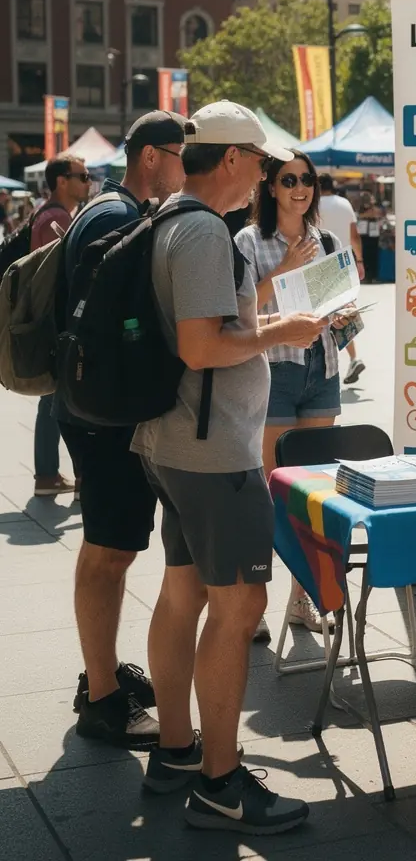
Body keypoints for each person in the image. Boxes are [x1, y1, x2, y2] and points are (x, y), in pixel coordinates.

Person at [133, 101, 325, 831]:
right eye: (261, 162)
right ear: (238, 160)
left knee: (182, 597)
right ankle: (220, 781)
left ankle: (178, 750)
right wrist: (268, 335)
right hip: (215, 454)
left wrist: (282, 326)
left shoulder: (169, 219)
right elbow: (202, 348)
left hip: (174, 443)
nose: (265, 177)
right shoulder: (209, 234)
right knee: (239, 606)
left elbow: (214, 331)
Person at [59, 112, 188, 747]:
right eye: (180, 156)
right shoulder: (117, 218)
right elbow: (118, 324)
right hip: (102, 412)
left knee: (110, 548)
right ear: (150, 158)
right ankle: (103, 700)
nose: (187, 168)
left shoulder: (107, 207)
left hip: (90, 406)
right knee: (109, 552)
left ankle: (100, 675)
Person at [235, 149, 346, 641]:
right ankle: (250, 602)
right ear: (271, 188)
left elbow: (339, 307)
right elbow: (240, 312)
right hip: (274, 372)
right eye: (289, 180)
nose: (300, 188)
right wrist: (281, 269)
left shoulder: (327, 239)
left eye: (307, 180)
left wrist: (343, 315)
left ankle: (302, 601)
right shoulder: (247, 241)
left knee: (313, 491)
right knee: (269, 492)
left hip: (321, 369)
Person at [31, 153, 91, 497]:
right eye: (81, 176)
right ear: (61, 181)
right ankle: (54, 474)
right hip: (55, 321)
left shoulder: (51, 214)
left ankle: (49, 473)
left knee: (53, 397)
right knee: (57, 398)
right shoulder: (55, 219)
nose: (87, 182)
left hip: (49, 320)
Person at [318, 176, 366, 385]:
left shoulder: (312, 204)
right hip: (343, 263)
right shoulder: (344, 204)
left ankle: (346, 360)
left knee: (324, 316)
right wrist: (360, 261)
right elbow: (354, 236)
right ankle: (354, 358)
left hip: (317, 264)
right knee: (342, 312)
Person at [357, 191, 385, 282]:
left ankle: (372, 275)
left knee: (372, 256)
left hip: (373, 235)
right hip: (363, 235)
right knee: (364, 255)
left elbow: (379, 214)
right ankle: (365, 276)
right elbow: (359, 216)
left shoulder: (375, 209)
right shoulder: (359, 209)